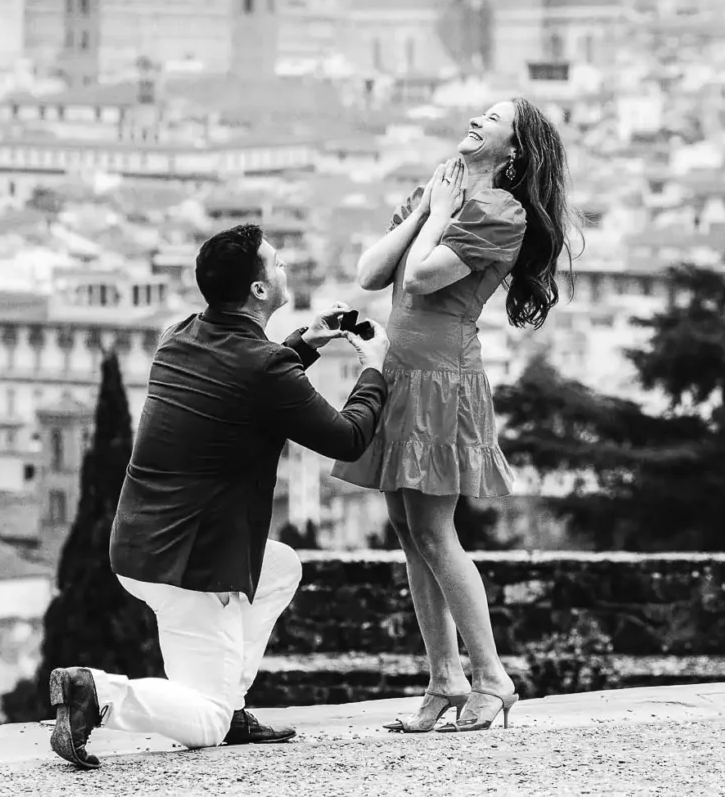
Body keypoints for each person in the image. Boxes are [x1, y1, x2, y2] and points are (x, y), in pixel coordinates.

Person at [48, 223, 391, 769]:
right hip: (192, 564)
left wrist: (307, 341)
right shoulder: (262, 366)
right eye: (276, 265)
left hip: (142, 545)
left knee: (279, 568)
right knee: (202, 722)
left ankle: (232, 707)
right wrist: (375, 366)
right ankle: (98, 694)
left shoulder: (179, 335)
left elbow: (246, 381)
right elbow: (347, 437)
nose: (284, 272)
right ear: (258, 290)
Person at [334, 97, 578, 734]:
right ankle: (444, 676)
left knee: (436, 533)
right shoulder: (437, 192)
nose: (478, 119)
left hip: (442, 378)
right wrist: (424, 207)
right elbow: (371, 274)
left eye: (494, 119)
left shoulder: (501, 211)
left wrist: (439, 215)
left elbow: (420, 281)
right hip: (399, 371)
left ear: (515, 150)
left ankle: (492, 677)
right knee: (408, 529)